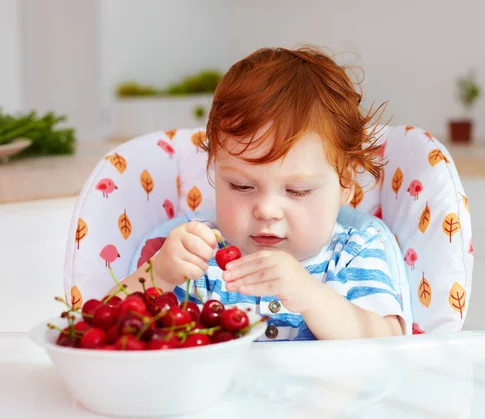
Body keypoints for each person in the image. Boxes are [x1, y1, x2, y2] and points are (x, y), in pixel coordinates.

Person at [109, 46, 409, 341]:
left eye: (297, 190)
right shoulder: (199, 258)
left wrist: (308, 294)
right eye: (241, 186)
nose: (266, 210)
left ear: (345, 182)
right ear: (215, 170)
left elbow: (389, 340)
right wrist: (158, 273)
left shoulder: (352, 251)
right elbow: (103, 326)